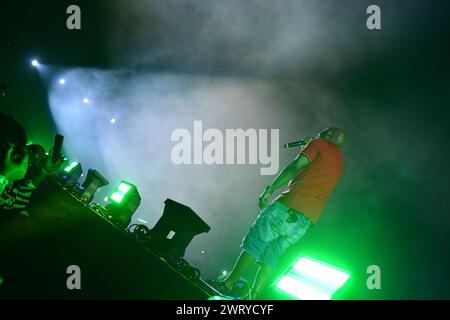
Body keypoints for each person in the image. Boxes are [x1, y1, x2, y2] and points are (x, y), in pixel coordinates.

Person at [210, 127, 346, 299]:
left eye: (322, 132)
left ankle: (227, 285)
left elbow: (295, 167)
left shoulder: (319, 143)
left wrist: (270, 190)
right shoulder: (340, 160)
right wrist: (306, 150)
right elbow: (314, 174)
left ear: (329, 135)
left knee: (255, 244)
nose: (318, 133)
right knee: (272, 256)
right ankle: (252, 297)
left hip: (289, 205)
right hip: (306, 219)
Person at [0, 112, 64, 217]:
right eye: (31, 151)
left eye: (34, 160)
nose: (30, 157)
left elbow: (18, 198)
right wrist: (4, 177)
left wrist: (46, 169)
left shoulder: (12, 184)